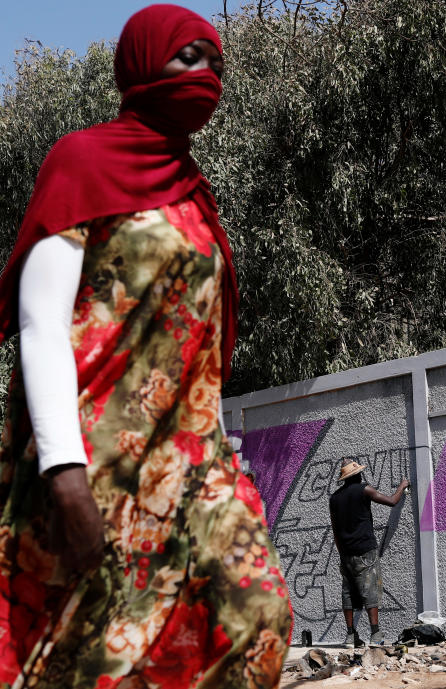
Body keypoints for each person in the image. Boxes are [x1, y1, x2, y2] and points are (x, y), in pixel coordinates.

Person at [0, 5, 290, 687]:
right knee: (89, 657)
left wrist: (222, 448)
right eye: (189, 56)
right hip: (94, 460)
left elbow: (199, 347)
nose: (206, 75)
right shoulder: (81, 161)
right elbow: (39, 321)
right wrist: (64, 472)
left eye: (217, 63)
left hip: (194, 464)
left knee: (258, 614)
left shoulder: (195, 197)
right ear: (140, 63)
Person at [329, 459, 409, 647]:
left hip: (346, 553)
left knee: (348, 593)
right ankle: (375, 634)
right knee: (370, 590)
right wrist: (402, 485)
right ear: (357, 475)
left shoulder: (335, 498)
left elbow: (335, 530)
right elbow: (392, 501)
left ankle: (350, 636)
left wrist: (342, 554)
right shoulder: (364, 490)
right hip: (365, 550)